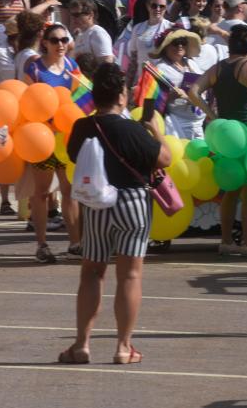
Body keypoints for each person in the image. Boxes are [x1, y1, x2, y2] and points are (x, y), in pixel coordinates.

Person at [62, 63, 171, 366]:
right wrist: (156, 132)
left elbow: (73, 155)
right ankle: (124, 347)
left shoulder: (83, 127)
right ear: (122, 96)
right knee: (130, 274)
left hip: (97, 206)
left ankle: (82, 344)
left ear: (95, 96)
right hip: (133, 203)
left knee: (92, 272)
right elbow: (166, 159)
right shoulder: (132, 129)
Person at [187, 25, 247, 257]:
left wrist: (211, 115)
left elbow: (193, 90)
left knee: (230, 191)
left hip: (224, 136)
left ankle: (225, 241)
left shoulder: (218, 68)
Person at [24, 23, 83, 261]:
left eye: (64, 39)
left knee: (69, 191)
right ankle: (41, 244)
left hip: (66, 137)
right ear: (45, 42)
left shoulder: (72, 66)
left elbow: (82, 98)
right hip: (42, 138)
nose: (61, 44)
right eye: (55, 40)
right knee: (41, 193)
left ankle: (75, 243)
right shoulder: (35, 69)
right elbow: (26, 102)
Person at [150, 28, 204, 140]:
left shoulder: (191, 63)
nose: (180, 46)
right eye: (175, 43)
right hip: (177, 123)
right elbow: (154, 99)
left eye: (183, 42)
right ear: (166, 47)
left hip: (199, 122)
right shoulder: (161, 69)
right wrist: (171, 96)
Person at [126, 0, 174, 86]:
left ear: (166, 8)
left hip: (161, 82)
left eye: (162, 6)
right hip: (141, 82)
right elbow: (133, 59)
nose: (158, 9)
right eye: (154, 6)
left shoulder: (170, 28)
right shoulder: (138, 28)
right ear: (148, 6)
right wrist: (128, 84)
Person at [69, 0, 114, 69]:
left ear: (90, 15)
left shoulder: (97, 33)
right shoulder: (80, 34)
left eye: (77, 15)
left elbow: (107, 62)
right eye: (71, 15)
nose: (73, 18)